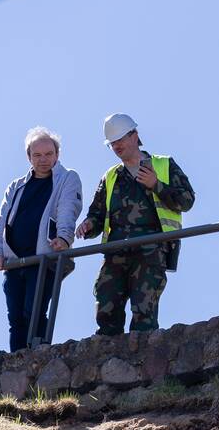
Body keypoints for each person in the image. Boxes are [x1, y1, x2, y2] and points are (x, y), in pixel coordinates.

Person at [75, 113, 195, 335]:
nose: (117, 145)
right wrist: (88, 225)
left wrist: (156, 185)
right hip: (115, 251)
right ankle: (106, 360)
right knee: (106, 307)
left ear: (135, 136)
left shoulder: (163, 165)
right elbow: (98, 214)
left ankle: (143, 362)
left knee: (144, 311)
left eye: (120, 139)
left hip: (151, 248)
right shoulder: (111, 176)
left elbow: (187, 200)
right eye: (113, 143)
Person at [0, 126, 82, 351]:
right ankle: (16, 364)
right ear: (29, 157)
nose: (43, 160)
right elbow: (1, 220)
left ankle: (39, 357)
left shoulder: (67, 178)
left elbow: (68, 209)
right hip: (14, 262)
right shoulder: (17, 186)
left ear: (57, 155)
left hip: (42, 260)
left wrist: (64, 238)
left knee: (34, 310)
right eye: (37, 155)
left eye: (49, 154)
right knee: (16, 318)